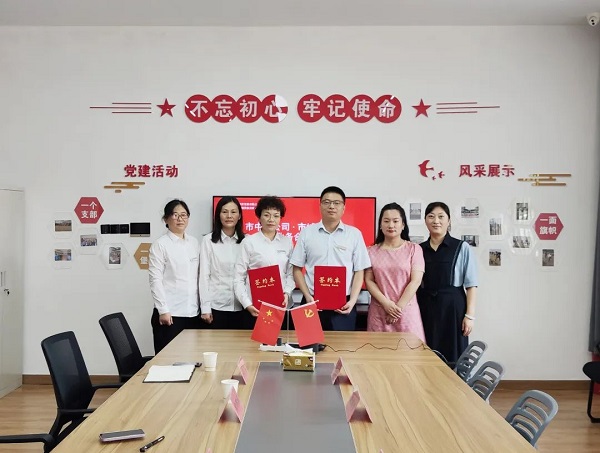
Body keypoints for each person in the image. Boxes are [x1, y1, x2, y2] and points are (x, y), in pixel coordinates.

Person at [290, 186, 371, 331]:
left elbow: (359, 270)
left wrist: (353, 301)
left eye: (336, 203)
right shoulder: (307, 233)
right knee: (308, 344)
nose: (331, 206)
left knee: (343, 344)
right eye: (326, 202)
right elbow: (296, 268)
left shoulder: (354, 234)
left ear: (343, 208)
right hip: (311, 301)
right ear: (320, 206)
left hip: (344, 304)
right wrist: (307, 296)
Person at [417, 201, 478, 364]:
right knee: (426, 352)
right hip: (425, 306)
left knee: (453, 352)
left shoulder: (461, 247)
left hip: (453, 308)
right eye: (431, 216)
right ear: (425, 221)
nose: (436, 221)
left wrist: (469, 316)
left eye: (441, 216)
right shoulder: (418, 249)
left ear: (449, 220)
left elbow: (471, 285)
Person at [364, 203, 425, 341]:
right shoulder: (370, 251)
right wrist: (386, 304)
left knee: (410, 352)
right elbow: (369, 281)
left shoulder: (414, 249)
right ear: (380, 225)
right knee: (377, 351)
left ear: (403, 225)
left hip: (406, 312)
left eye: (395, 221)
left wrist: (397, 309)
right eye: (386, 221)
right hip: (379, 312)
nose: (391, 225)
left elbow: (415, 281)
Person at [234, 196, 295, 327]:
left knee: (282, 340)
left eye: (276, 216)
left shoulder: (287, 242)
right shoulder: (249, 242)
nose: (271, 219)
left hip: (282, 306)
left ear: (280, 218)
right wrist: (247, 304)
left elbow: (291, 274)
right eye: (266, 215)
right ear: (259, 217)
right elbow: (238, 278)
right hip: (255, 309)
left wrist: (287, 293)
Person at [149, 199, 200, 353]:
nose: (180, 219)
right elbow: (155, 279)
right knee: (168, 360)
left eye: (184, 215)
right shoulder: (160, 244)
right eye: (175, 215)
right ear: (166, 219)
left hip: (193, 313)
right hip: (171, 315)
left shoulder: (194, 243)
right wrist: (163, 310)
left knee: (192, 358)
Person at [199, 196, 247, 329]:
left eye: (233, 212)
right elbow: (204, 276)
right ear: (218, 215)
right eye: (224, 212)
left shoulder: (247, 241)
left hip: (242, 307)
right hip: (216, 307)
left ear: (239, 216)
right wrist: (205, 307)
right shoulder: (208, 241)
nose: (229, 216)